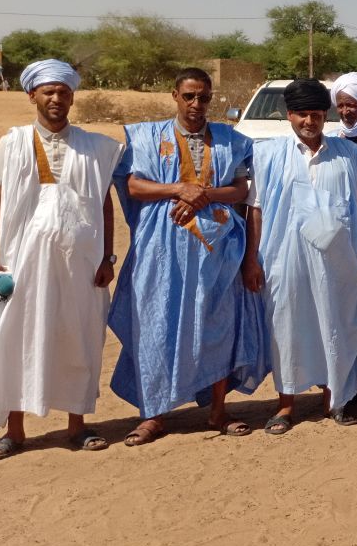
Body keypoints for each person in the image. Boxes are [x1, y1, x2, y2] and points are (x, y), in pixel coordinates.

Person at [0, 59, 123, 460]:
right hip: (21, 263)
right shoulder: (12, 143)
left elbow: (104, 205)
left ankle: (77, 425)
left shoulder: (94, 147)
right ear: (31, 95)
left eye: (64, 92)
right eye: (49, 91)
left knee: (78, 338)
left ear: (72, 98)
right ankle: (14, 431)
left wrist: (107, 256)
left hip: (80, 265)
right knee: (14, 339)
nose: (56, 98)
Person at [110, 67, 268, 444]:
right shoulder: (147, 136)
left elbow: (241, 189)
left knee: (218, 324)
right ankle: (153, 415)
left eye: (204, 97)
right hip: (160, 250)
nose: (197, 104)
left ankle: (218, 411)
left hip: (217, 250)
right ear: (175, 96)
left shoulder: (230, 139)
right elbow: (133, 185)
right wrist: (179, 189)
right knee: (154, 324)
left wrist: (205, 194)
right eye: (189, 96)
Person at [242, 78, 357, 432]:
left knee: (337, 323)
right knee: (287, 328)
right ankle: (286, 404)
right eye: (302, 114)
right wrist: (251, 259)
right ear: (289, 115)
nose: (309, 121)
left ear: (325, 115)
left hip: (338, 260)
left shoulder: (348, 155)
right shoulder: (268, 155)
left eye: (316, 114)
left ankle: (335, 398)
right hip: (284, 259)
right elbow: (256, 210)